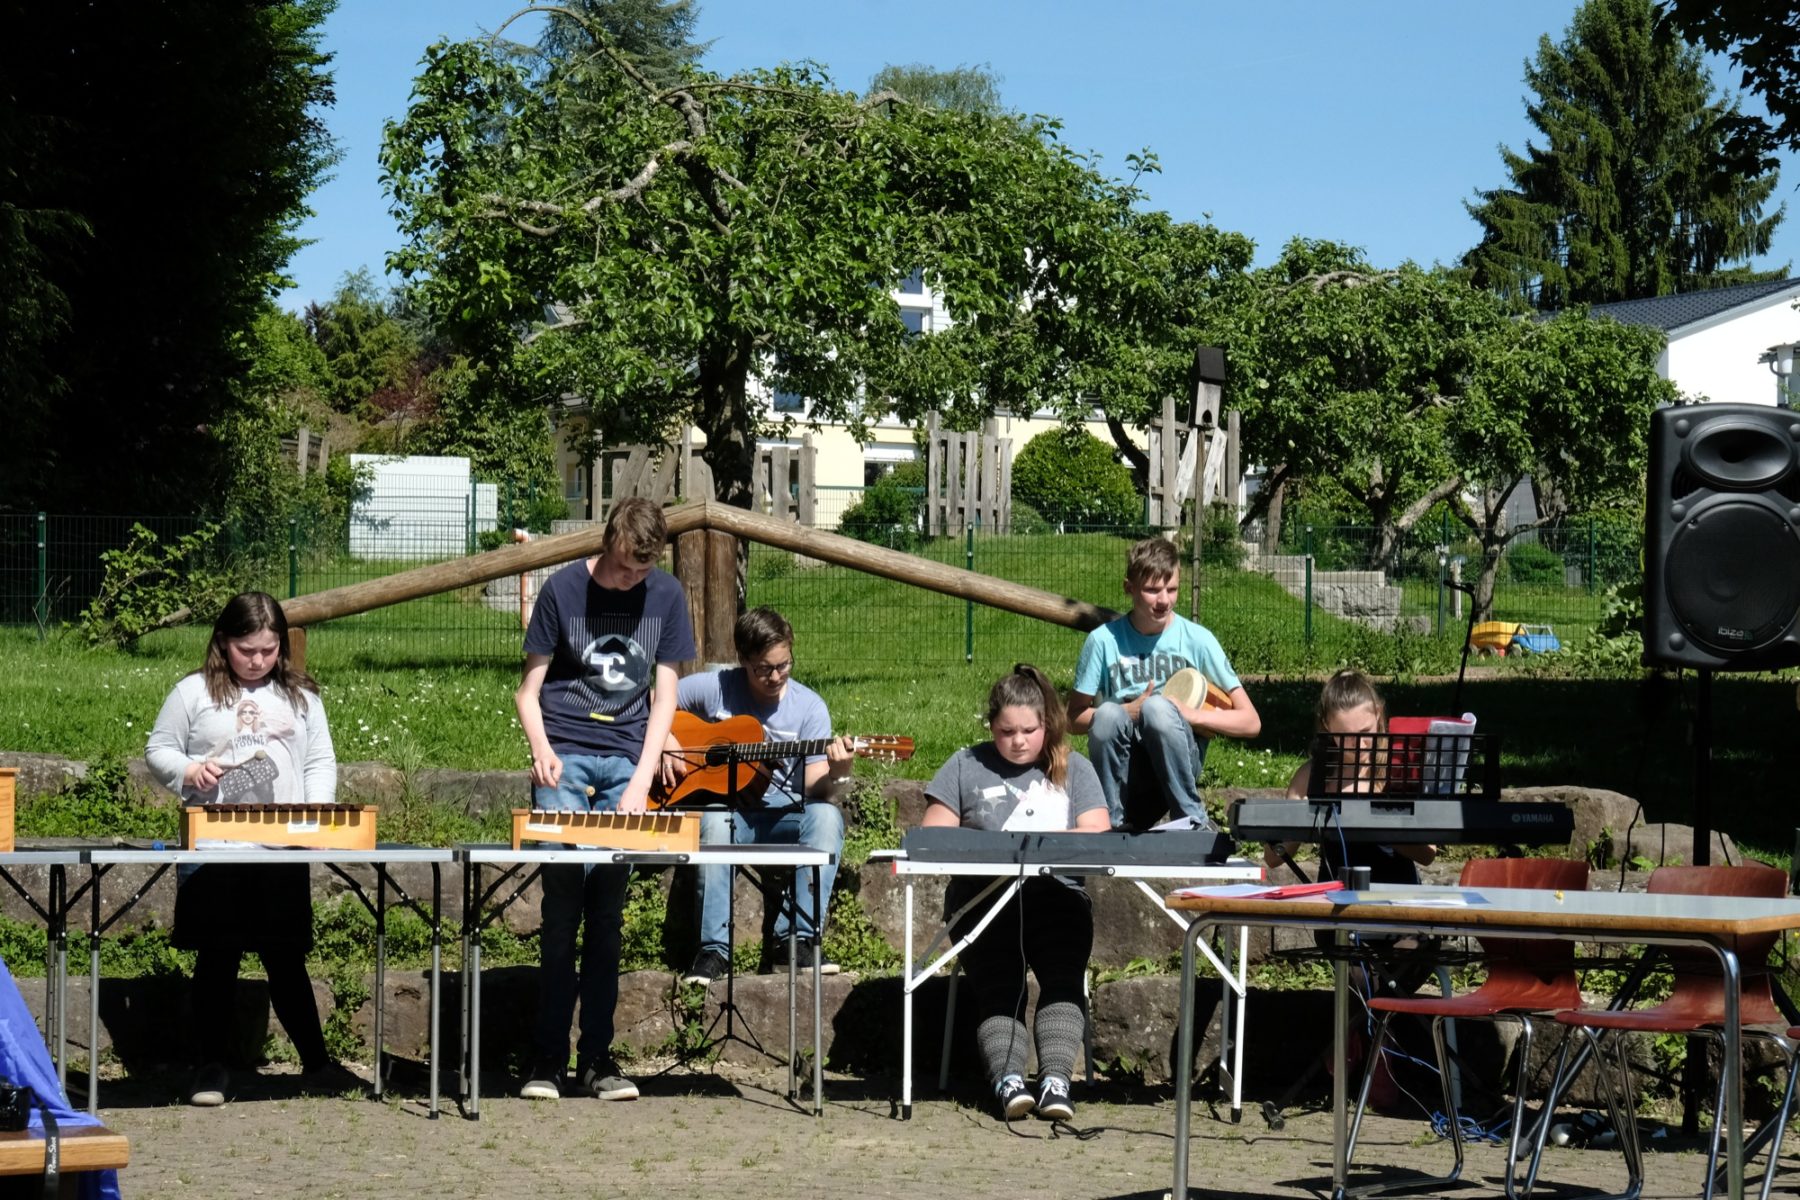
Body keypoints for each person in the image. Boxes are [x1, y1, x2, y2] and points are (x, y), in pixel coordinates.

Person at [515, 497, 695, 1102]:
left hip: (626, 760)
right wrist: (542, 749)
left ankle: (597, 1058)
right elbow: (528, 692)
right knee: (562, 908)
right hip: (563, 751)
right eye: (621, 567)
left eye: (642, 570)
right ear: (606, 544)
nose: (630, 579)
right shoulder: (562, 590)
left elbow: (665, 698)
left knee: (607, 912)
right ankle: (547, 1059)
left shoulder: (667, 596)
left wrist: (641, 783)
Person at [145, 591, 352, 1108]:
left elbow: (319, 760)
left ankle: (317, 1064)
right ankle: (211, 1068)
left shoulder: (301, 697)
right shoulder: (193, 692)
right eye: (246, 650)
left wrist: (317, 813)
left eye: (268, 649)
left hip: (281, 846)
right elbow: (158, 750)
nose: (258, 660)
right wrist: (189, 770)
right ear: (223, 642)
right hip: (216, 847)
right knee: (218, 957)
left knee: (286, 958)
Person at [921, 663, 1108, 1124]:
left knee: (1062, 978)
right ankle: (1009, 1082)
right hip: (982, 900)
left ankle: (1056, 1081)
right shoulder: (964, 765)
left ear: (1048, 725)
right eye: (1007, 732)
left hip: (1058, 899)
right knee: (1000, 985)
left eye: (1029, 731)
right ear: (991, 726)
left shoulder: (1075, 768)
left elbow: (1097, 833)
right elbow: (933, 837)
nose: (1019, 741)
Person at [667, 607, 854, 985]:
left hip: (784, 811)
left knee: (826, 816)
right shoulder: (716, 687)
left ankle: (795, 941)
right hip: (730, 809)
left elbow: (815, 786)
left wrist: (839, 772)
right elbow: (655, 702)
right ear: (743, 660)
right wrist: (665, 738)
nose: (776, 676)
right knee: (714, 821)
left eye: (784, 665)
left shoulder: (810, 707)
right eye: (763, 669)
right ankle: (713, 951)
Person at [1069, 536, 1261, 830]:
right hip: (1125, 769)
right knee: (1107, 714)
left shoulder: (1197, 640)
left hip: (1178, 763)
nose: (1164, 600)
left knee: (1157, 709)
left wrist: (1190, 714)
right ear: (1129, 588)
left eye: (1172, 589)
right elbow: (1072, 719)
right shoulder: (1103, 640)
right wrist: (1128, 712)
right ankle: (1109, 824)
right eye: (1152, 590)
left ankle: (1191, 820)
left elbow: (1251, 722)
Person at [1266, 668, 1437, 884]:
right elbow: (1272, 857)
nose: (1359, 745)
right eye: (1346, 736)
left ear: (1378, 714)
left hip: (1395, 893)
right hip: (1334, 894)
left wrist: (1376, 824)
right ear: (1327, 726)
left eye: (1366, 732)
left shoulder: (1396, 769)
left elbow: (1428, 854)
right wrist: (1304, 821)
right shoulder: (1312, 776)